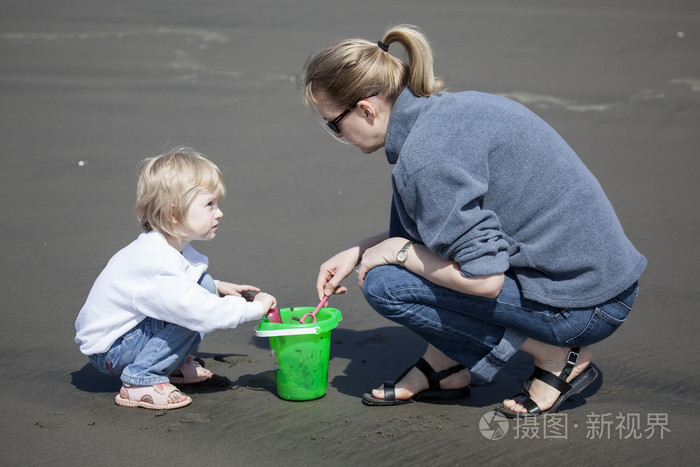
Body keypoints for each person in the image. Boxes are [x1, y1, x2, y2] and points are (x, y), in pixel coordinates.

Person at [300, 25, 646, 417]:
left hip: (584, 307)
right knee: (404, 229)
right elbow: (448, 226)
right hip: (600, 280)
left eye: (333, 124)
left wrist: (396, 252)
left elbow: (484, 279)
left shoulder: (425, 160)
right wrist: (359, 249)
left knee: (386, 284)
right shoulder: (451, 113)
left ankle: (558, 358)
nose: (337, 135)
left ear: (366, 108)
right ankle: (447, 363)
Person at [75, 147, 277, 410]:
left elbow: (184, 288)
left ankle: (170, 362)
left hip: (124, 338)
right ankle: (141, 379)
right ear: (173, 214)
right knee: (189, 310)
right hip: (111, 351)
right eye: (209, 204)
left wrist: (217, 288)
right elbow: (197, 312)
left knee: (202, 285)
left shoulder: (167, 249)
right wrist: (255, 308)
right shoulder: (156, 261)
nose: (219, 213)